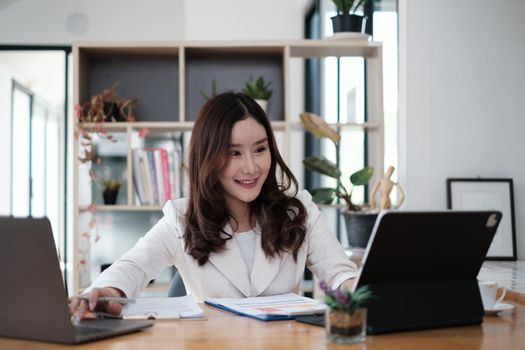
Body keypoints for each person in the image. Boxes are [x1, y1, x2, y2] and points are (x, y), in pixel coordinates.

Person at [69, 92, 357, 319]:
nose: (251, 167)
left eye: (260, 149)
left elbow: (341, 273)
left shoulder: (299, 211)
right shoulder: (181, 218)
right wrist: (106, 293)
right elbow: (133, 266)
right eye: (233, 153)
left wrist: (359, 292)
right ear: (208, 157)